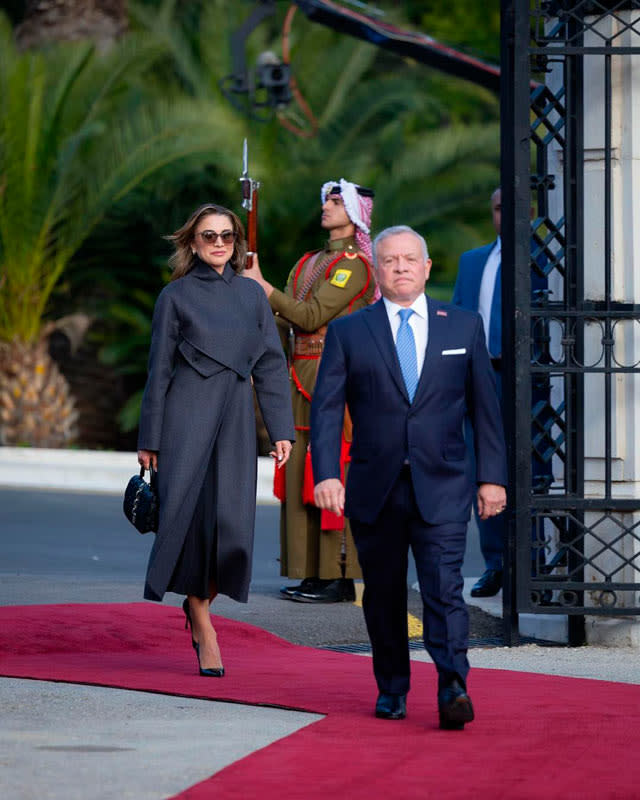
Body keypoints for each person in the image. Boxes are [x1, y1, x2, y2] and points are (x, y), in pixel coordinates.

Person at [311, 225, 507, 728]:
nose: (401, 267)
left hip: (443, 484)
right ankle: (392, 687)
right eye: (390, 260)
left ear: (426, 268)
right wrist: (328, 474)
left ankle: (452, 685)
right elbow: (329, 410)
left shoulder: (462, 326)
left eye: (409, 259)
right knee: (383, 593)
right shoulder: (351, 331)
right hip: (374, 488)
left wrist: (492, 478)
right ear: (377, 271)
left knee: (444, 588)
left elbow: (486, 408)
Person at [137, 203, 295, 677]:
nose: (220, 243)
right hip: (185, 415)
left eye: (227, 236)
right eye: (209, 236)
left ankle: (200, 605)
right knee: (187, 516)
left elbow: (270, 364)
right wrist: (150, 438)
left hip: (234, 419)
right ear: (192, 243)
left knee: (229, 521)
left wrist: (281, 428)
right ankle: (203, 620)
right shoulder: (175, 296)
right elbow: (159, 370)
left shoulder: (250, 296)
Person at [244, 179, 376, 603]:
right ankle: (309, 572)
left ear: (355, 212)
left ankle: (338, 574)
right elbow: (286, 320)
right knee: (300, 468)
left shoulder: (353, 265)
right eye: (326, 200)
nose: (326, 206)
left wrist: (265, 289)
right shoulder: (306, 262)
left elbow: (312, 314)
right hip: (297, 374)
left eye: (337, 202)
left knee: (330, 467)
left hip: (333, 377)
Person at [453, 188, 551, 598]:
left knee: (536, 465)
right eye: (498, 207)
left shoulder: (548, 257)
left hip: (533, 376)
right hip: (482, 375)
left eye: (517, 208)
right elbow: (459, 317)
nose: (506, 215)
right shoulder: (472, 260)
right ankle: (496, 564)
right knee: (484, 468)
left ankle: (536, 565)